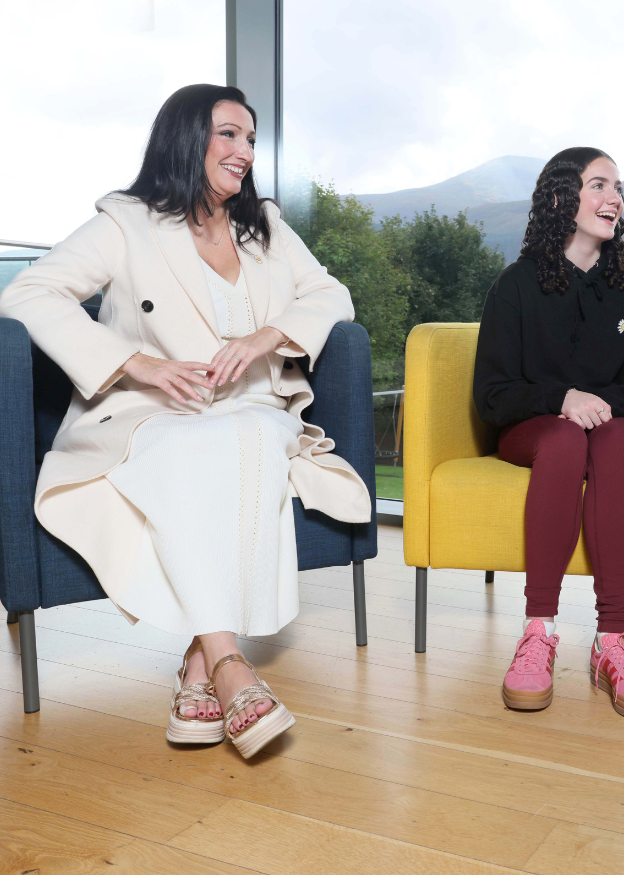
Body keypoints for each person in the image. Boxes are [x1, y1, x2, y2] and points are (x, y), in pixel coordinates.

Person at [0, 84, 371, 758]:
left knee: (252, 433)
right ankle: (229, 664)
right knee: (189, 446)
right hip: (153, 411)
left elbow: (330, 294)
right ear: (185, 137)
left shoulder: (264, 224)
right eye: (228, 135)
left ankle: (200, 668)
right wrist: (134, 363)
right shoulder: (126, 223)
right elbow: (28, 292)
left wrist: (269, 336)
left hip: (255, 406)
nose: (244, 152)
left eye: (251, 139)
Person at [473, 147, 624, 720]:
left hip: (615, 427)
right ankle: (538, 632)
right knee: (565, 439)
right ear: (562, 198)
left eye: (618, 188)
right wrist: (561, 401)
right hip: (534, 428)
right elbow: (492, 394)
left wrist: (602, 404)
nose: (614, 198)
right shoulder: (514, 286)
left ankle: (613, 642)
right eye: (599, 185)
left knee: (611, 439)